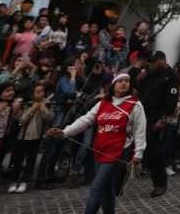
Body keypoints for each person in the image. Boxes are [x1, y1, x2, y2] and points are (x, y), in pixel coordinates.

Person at [49, 73, 146, 214]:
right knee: (107, 188)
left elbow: (140, 130)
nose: (124, 83)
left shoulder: (135, 105)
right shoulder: (103, 103)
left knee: (97, 187)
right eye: (120, 81)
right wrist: (65, 132)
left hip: (118, 152)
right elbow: (85, 120)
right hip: (100, 150)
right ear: (113, 85)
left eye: (127, 81)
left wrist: (139, 153)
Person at [135, 51, 177, 198]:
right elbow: (141, 89)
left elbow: (172, 100)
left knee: (154, 151)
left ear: (162, 60)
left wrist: (164, 118)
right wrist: (139, 78)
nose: (152, 64)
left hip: (157, 117)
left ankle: (160, 183)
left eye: (155, 62)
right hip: (142, 113)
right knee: (141, 147)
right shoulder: (151, 73)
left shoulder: (171, 75)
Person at [6, 82, 54, 193]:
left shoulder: (47, 103)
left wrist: (43, 109)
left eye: (42, 92)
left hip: (36, 137)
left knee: (31, 160)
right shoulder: (25, 104)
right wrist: (32, 109)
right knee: (18, 160)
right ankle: (14, 181)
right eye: (38, 92)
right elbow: (21, 120)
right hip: (22, 136)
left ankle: (24, 181)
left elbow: (50, 117)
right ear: (32, 94)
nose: (41, 94)